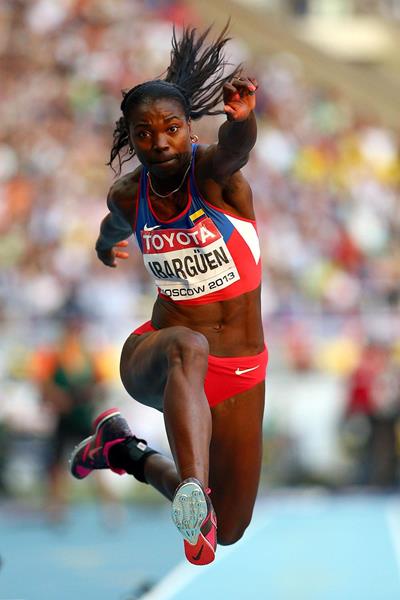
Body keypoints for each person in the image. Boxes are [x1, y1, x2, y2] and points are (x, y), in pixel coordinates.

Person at [70, 24, 267, 566]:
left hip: (241, 368)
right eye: (143, 133)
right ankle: (194, 495)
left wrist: (245, 122)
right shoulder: (129, 194)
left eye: (172, 129)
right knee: (189, 346)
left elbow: (235, 147)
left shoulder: (214, 177)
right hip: (159, 352)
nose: (159, 142)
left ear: (188, 130)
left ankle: (121, 449)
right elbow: (111, 229)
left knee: (230, 532)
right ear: (129, 138)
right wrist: (105, 248)